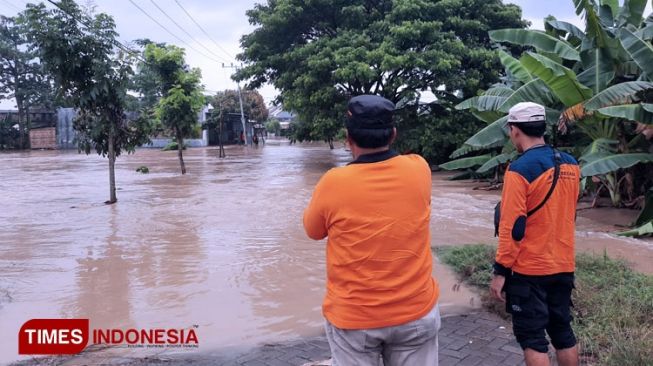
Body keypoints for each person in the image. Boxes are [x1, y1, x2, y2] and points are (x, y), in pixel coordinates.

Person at [303, 95, 440, 366]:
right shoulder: (419, 168)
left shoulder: (333, 182)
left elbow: (313, 231)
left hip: (354, 319)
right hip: (415, 312)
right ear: (393, 134)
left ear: (347, 138)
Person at [490, 102, 580, 366]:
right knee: (563, 332)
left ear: (515, 130)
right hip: (563, 265)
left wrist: (500, 272)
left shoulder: (519, 170)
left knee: (532, 338)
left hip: (529, 271)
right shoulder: (572, 165)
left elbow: (513, 228)